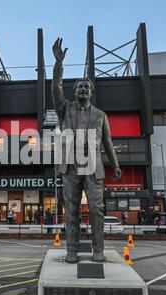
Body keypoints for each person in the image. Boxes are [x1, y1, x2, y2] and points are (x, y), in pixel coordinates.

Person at [52, 38, 122, 263]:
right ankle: (71, 250)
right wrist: (58, 64)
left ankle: (98, 250)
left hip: (93, 166)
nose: (83, 89)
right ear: (74, 92)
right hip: (70, 165)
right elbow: (56, 89)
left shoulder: (100, 115)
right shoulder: (64, 110)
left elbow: (108, 142)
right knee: (71, 210)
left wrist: (116, 165)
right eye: (79, 86)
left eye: (86, 87)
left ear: (91, 92)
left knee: (96, 209)